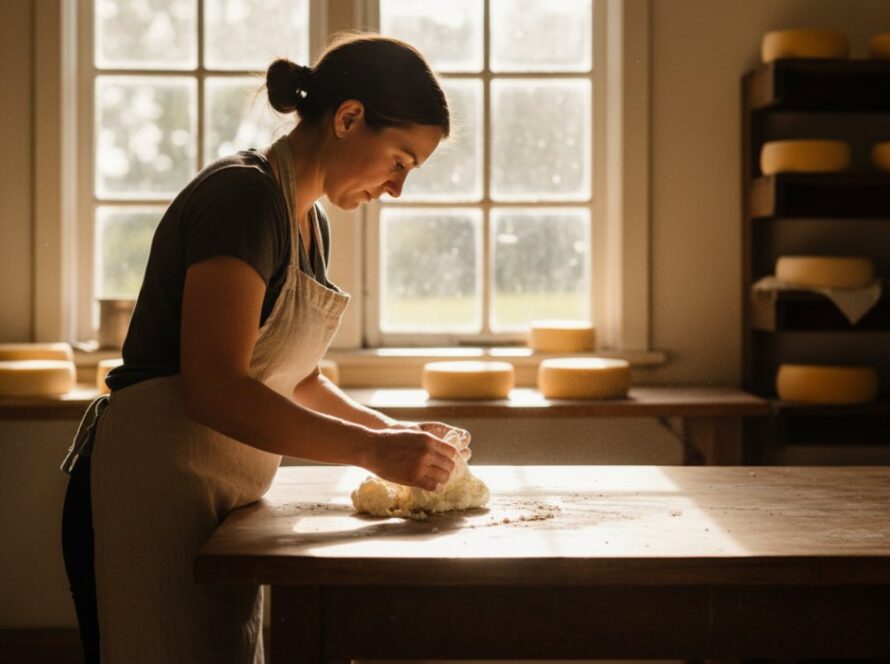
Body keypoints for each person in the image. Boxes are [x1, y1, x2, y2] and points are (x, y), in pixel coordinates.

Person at [61, 32, 469, 663]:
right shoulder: (243, 198)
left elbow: (294, 377)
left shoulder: (309, 221)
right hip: (148, 495)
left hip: (215, 500)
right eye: (400, 160)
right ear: (349, 118)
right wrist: (371, 450)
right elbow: (215, 386)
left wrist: (394, 431)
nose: (396, 189)